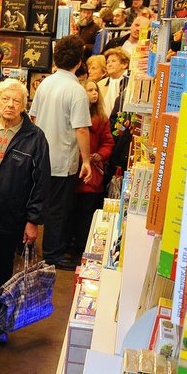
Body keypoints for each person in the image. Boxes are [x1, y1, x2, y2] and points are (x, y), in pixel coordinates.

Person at [0, 79, 51, 345]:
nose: (10, 105)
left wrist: (33, 221)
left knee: (0, 270)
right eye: (5, 99)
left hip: (9, 217)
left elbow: (41, 183)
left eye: (16, 101)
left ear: (24, 105)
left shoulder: (35, 137)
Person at [29, 34, 93, 270]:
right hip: (62, 158)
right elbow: (82, 129)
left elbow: (33, 117)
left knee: (40, 205)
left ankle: (37, 249)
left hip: (41, 156)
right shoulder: (76, 90)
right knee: (58, 210)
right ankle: (52, 255)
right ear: (79, 61)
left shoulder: (45, 83)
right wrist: (86, 160)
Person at [70, 79, 114, 259]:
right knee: (72, 210)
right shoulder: (75, 116)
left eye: (95, 90)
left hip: (92, 172)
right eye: (89, 90)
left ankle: (82, 246)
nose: (94, 93)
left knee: (86, 212)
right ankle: (72, 245)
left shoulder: (102, 119)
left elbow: (108, 143)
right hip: (74, 168)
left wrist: (99, 155)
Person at [99, 47, 131, 119]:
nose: (109, 65)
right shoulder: (101, 84)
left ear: (125, 64)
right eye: (108, 62)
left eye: (113, 61)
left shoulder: (131, 82)